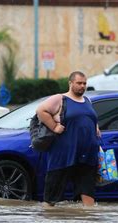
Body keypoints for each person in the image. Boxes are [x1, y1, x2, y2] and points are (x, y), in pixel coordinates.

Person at [36, 71, 100, 207]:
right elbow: (41, 111)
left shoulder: (87, 101)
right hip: (64, 155)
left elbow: (89, 118)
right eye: (79, 83)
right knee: (52, 197)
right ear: (70, 83)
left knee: (88, 194)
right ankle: (50, 222)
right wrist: (54, 127)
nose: (82, 86)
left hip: (87, 156)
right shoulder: (60, 99)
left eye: (84, 83)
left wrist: (95, 128)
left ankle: (88, 221)